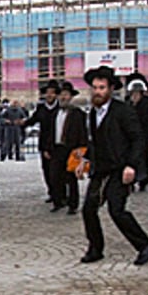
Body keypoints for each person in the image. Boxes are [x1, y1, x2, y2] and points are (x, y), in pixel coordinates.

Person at [79, 67, 148, 266]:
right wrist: (85, 160)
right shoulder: (92, 113)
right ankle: (96, 249)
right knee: (89, 209)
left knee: (117, 210)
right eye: (95, 88)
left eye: (102, 88)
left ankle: (145, 246)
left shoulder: (123, 111)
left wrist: (132, 165)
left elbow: (138, 139)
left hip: (120, 169)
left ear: (111, 89)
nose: (97, 92)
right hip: (100, 170)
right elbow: (95, 142)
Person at [48, 82, 87, 215]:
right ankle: (58, 201)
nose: (63, 97)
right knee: (54, 176)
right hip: (56, 149)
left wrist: (80, 150)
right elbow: (49, 132)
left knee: (71, 178)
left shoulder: (78, 114)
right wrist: (48, 148)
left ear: (71, 97)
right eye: (61, 95)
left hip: (71, 149)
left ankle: (73, 204)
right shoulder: (53, 113)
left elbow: (83, 133)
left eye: (66, 95)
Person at [22, 80, 61, 202]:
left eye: (52, 93)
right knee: (47, 170)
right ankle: (52, 192)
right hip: (44, 143)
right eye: (47, 93)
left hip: (58, 144)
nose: (49, 95)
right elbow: (33, 119)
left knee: (58, 172)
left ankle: (60, 195)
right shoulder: (41, 108)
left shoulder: (60, 108)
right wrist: (23, 123)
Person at [124, 73, 148, 190]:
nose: (135, 95)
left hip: (145, 137)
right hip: (130, 137)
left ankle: (143, 178)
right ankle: (132, 181)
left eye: (137, 93)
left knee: (143, 160)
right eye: (133, 93)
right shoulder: (127, 104)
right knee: (132, 159)